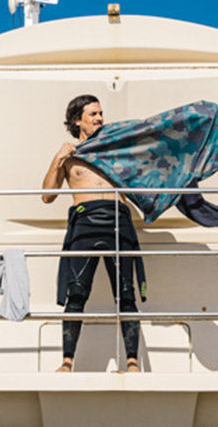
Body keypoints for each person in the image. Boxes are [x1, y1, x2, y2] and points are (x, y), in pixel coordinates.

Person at [42, 95, 145, 373]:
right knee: (76, 293)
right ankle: (66, 361)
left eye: (101, 113)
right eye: (93, 114)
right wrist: (57, 160)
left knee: (125, 294)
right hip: (84, 221)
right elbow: (47, 196)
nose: (100, 118)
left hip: (118, 219)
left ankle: (133, 361)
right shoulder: (70, 154)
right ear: (78, 120)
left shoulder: (114, 148)